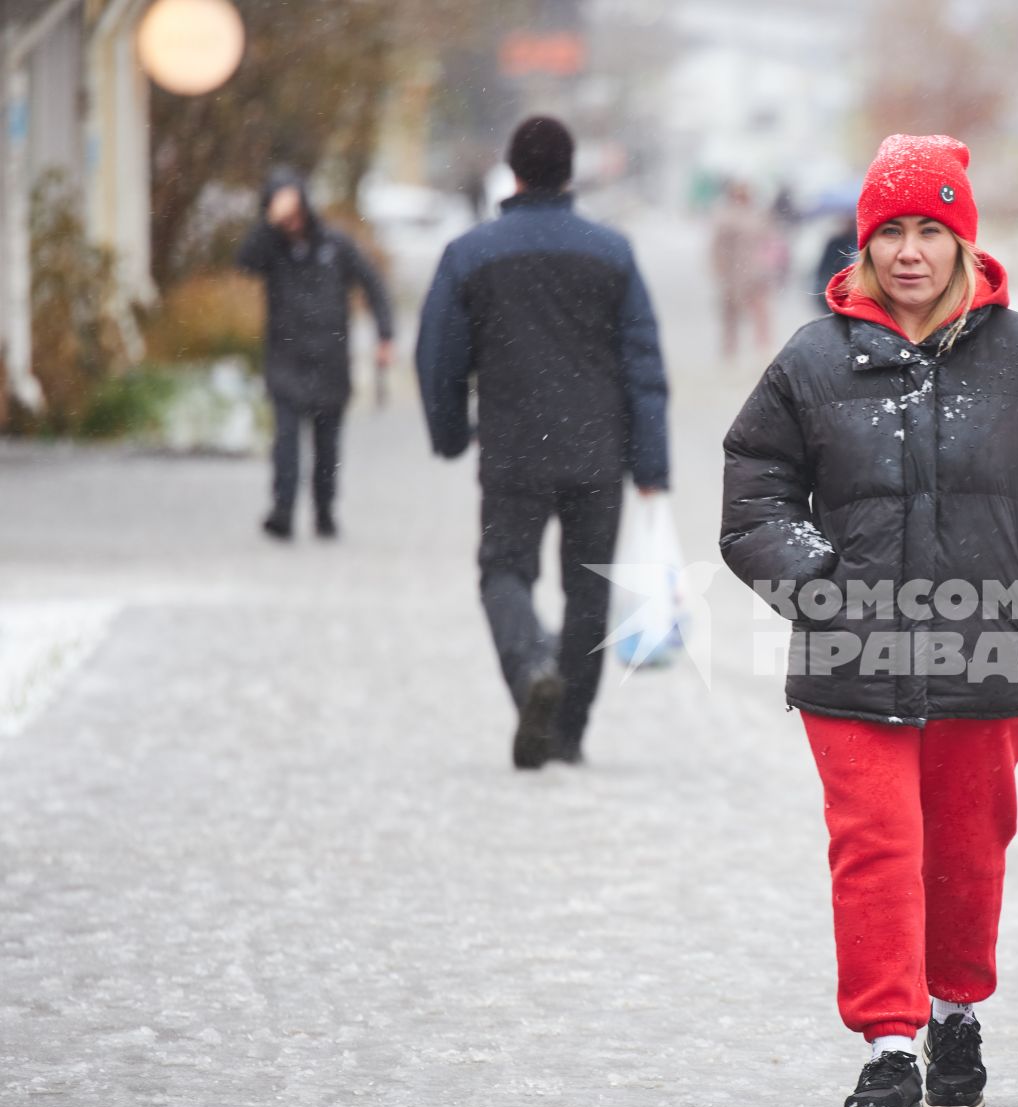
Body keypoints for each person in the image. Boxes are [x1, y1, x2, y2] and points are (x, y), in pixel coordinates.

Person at [719, 133, 1018, 1107]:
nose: (910, 250)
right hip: (850, 660)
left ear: (963, 241)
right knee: (876, 846)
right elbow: (754, 494)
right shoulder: (812, 360)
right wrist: (819, 589)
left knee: (966, 849)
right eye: (891, 231)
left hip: (985, 654)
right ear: (864, 246)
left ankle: (955, 1015)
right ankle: (889, 1049)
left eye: (930, 229)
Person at [415, 116, 670, 770]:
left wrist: (449, 434)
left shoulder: (471, 254)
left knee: (504, 571)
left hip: (513, 447)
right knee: (588, 589)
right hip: (597, 449)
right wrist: (651, 463)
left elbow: (437, 357)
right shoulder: (612, 253)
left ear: (515, 171)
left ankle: (530, 669)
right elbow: (642, 362)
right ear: (568, 172)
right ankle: (569, 732)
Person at [237, 169, 394, 541]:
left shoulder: (336, 245)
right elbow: (244, 261)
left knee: (327, 446)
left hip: (330, 359)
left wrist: (385, 335)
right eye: (281, 213)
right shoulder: (271, 248)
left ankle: (325, 511)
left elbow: (373, 284)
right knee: (286, 444)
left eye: (293, 210)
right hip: (285, 360)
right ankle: (283, 511)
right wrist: (269, 224)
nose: (289, 220)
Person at [709, 181, 782, 360]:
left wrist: (770, 264)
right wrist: (720, 269)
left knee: (760, 310)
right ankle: (730, 351)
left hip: (757, 271)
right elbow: (717, 246)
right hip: (732, 272)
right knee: (730, 314)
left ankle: (763, 347)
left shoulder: (758, 214)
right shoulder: (725, 216)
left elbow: (770, 240)